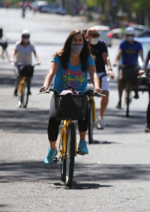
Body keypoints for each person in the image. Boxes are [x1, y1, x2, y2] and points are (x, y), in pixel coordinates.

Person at [40, 30, 102, 165]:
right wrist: (46, 85)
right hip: (60, 95)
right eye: (75, 40)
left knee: (84, 113)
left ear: (84, 42)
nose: (77, 43)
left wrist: (97, 87)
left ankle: (83, 142)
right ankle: (52, 149)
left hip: (78, 95)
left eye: (80, 40)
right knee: (53, 120)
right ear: (69, 42)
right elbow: (51, 72)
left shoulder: (88, 58)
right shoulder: (60, 57)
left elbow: (94, 75)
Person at [86, 27, 115, 129]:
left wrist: (110, 69)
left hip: (100, 72)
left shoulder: (102, 44)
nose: (96, 37)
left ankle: (101, 116)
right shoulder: (84, 44)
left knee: (105, 93)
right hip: (86, 72)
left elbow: (106, 57)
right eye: (93, 35)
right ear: (87, 36)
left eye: (97, 35)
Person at [113, 27, 144, 109]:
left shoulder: (138, 44)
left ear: (133, 35)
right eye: (127, 35)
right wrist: (115, 61)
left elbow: (141, 55)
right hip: (124, 65)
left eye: (130, 35)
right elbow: (118, 53)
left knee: (140, 75)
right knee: (120, 80)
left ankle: (136, 89)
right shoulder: (123, 43)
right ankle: (119, 101)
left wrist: (143, 64)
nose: (129, 36)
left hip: (135, 65)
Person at [10, 30, 40, 96]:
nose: (26, 38)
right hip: (18, 64)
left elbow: (35, 54)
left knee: (29, 76)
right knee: (18, 76)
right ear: (22, 37)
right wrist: (12, 58)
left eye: (27, 37)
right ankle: (16, 88)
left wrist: (38, 60)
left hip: (28, 64)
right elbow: (14, 52)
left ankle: (28, 90)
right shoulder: (18, 44)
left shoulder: (31, 45)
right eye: (24, 37)